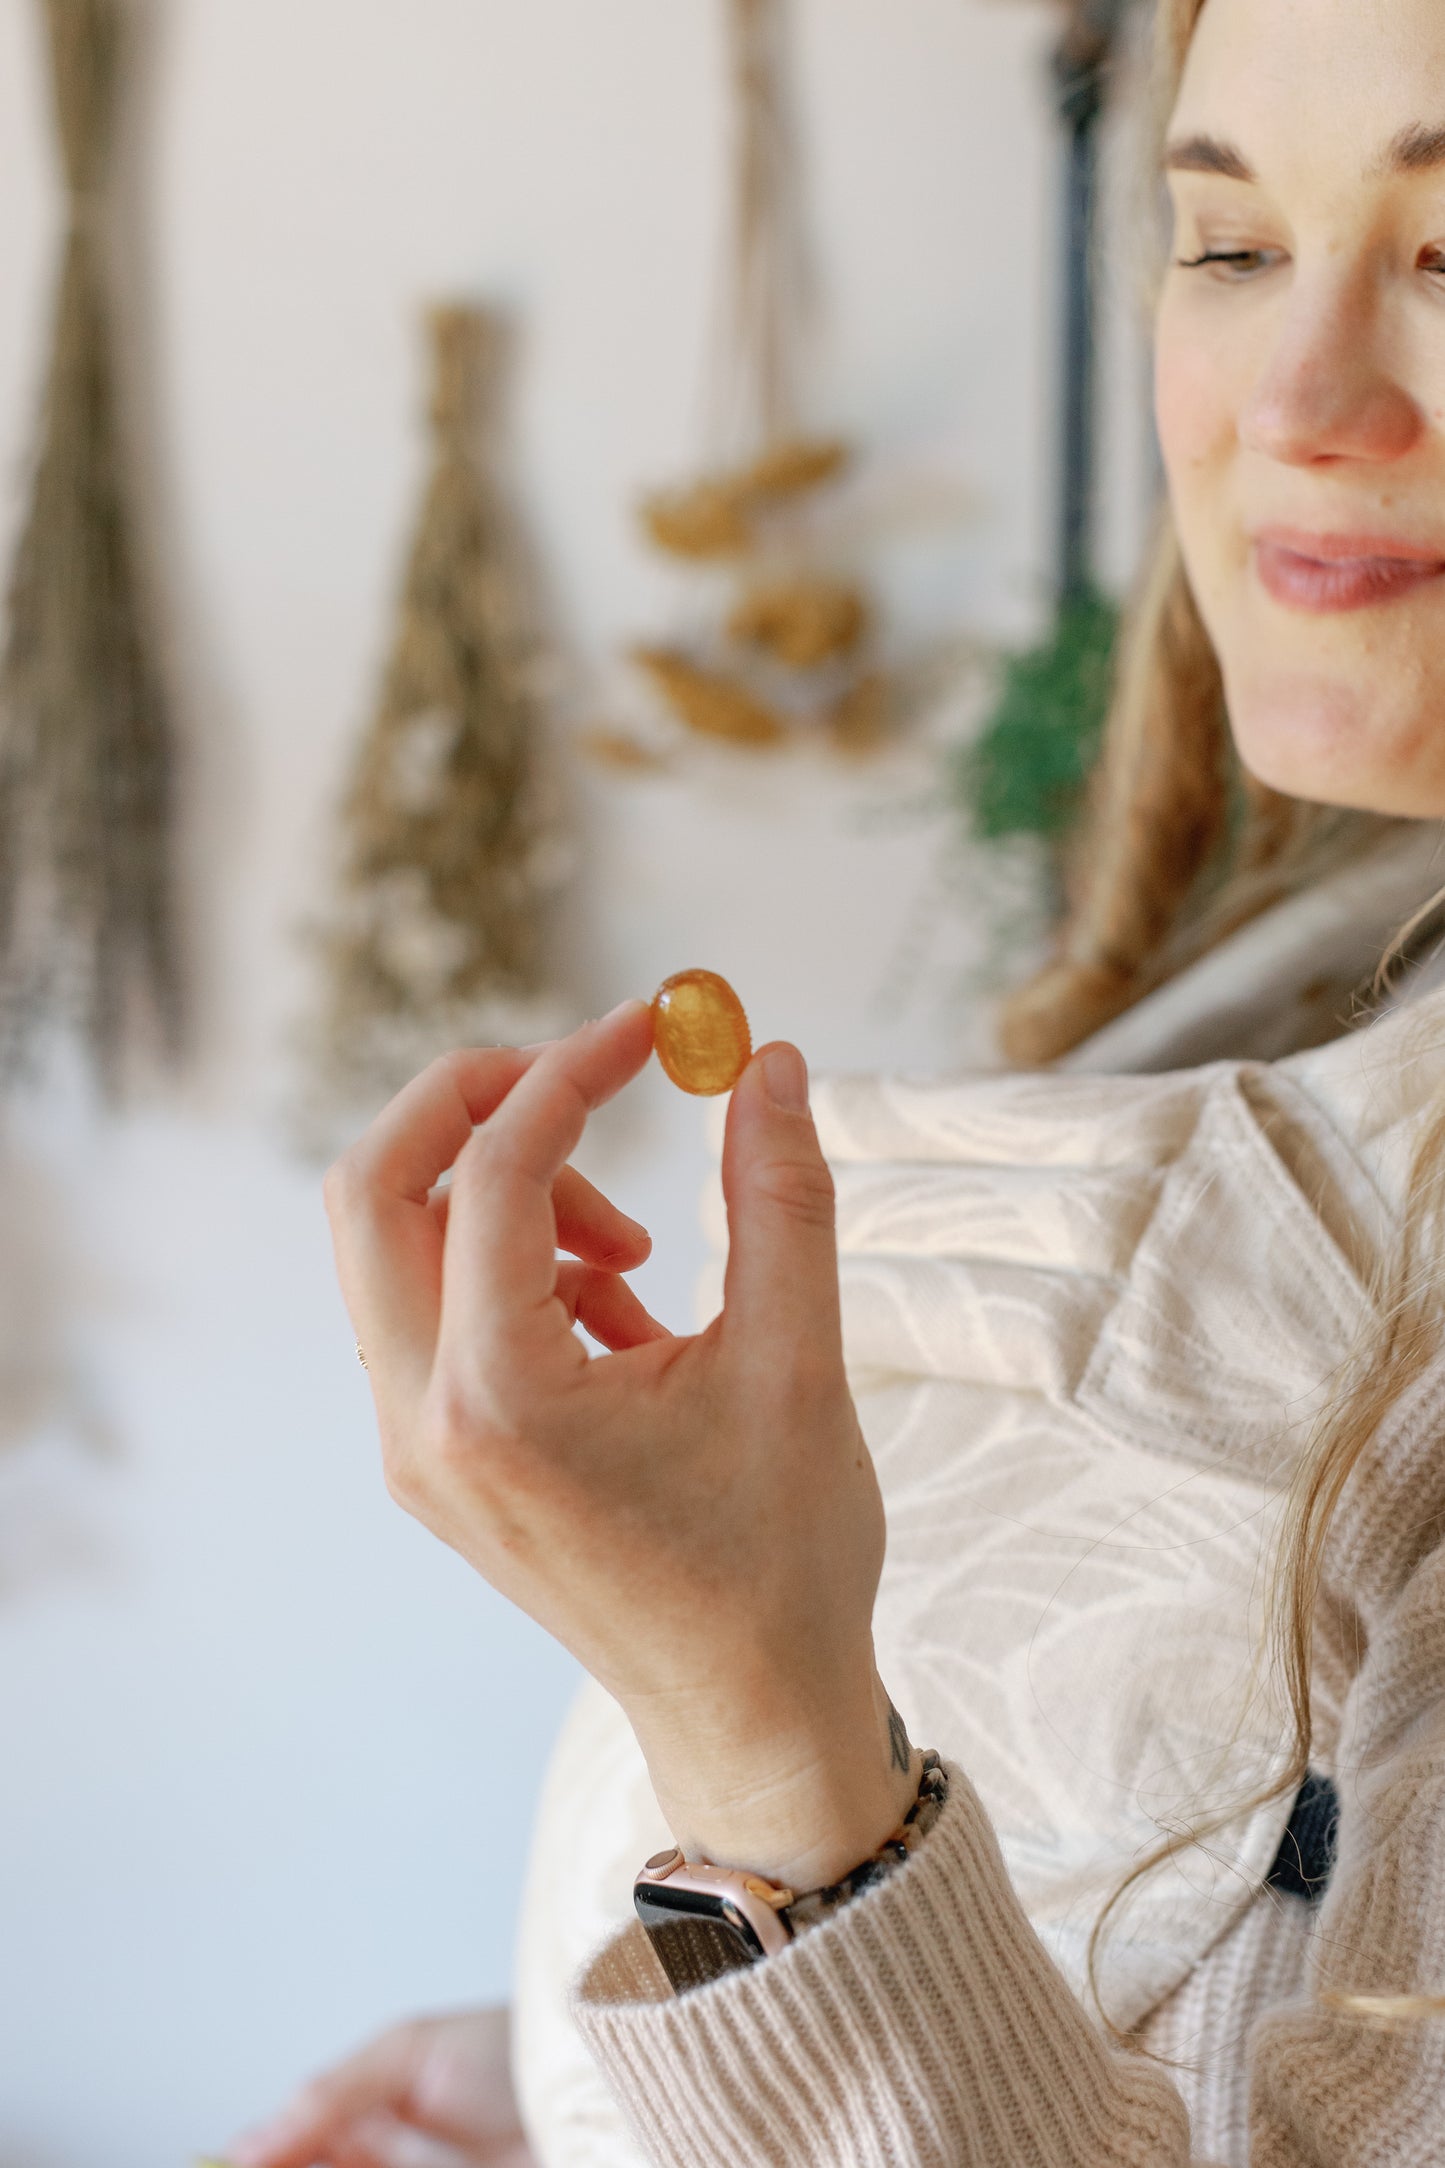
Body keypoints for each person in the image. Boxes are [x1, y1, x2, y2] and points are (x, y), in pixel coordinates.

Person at [232, 0, 1445, 2159]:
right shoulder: (1304, 946)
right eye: (1230, 242)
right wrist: (581, 2057)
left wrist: (754, 1740)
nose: (1295, 397)